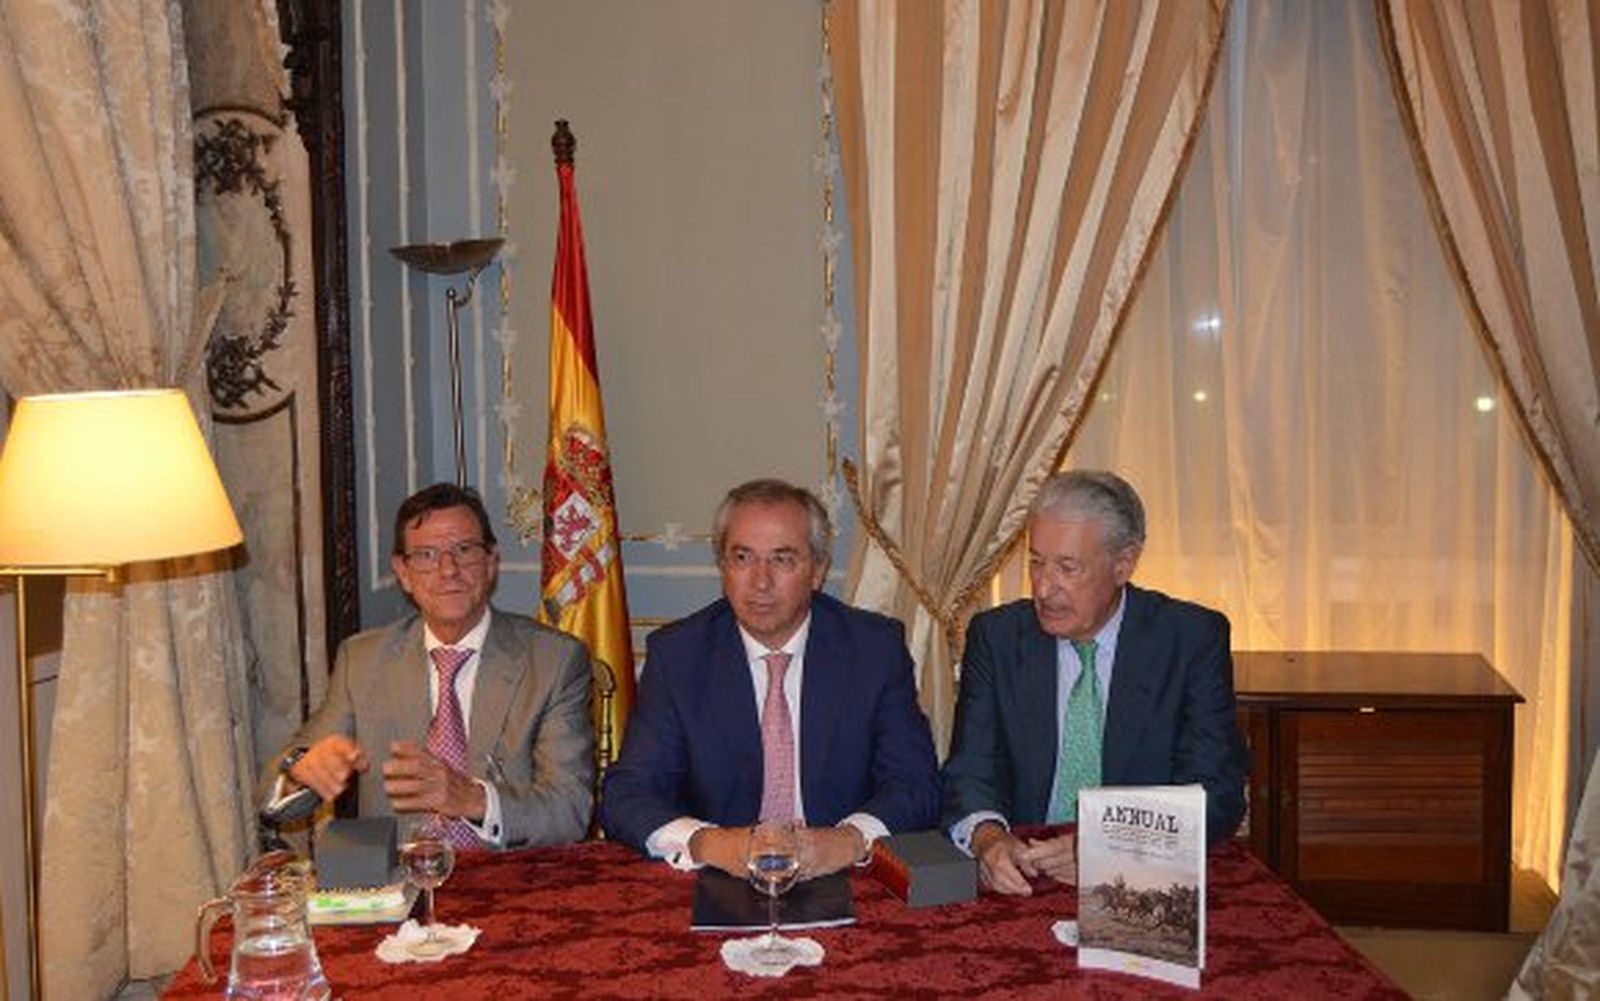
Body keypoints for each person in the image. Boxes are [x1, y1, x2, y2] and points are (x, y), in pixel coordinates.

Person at [600, 478, 940, 879]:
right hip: (718, 879)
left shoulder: (873, 650)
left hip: (844, 877)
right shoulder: (679, 655)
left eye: (782, 559)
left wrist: (849, 839)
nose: (760, 582)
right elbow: (628, 793)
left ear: (817, 571)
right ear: (722, 567)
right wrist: (707, 842)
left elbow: (917, 785)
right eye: (742, 558)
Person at [942, 470, 1249, 895]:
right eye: (1036, 562)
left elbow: (1216, 793)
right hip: (1023, 875)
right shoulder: (996, 636)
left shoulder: (1190, 640)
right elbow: (970, 770)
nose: (1044, 588)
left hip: (1142, 883)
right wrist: (988, 837)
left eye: (1067, 568)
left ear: (1124, 564)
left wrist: (1111, 845)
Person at [262, 483, 595, 848]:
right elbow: (273, 801)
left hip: (510, 883)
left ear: (491, 561)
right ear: (402, 572)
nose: (448, 569)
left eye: (464, 550)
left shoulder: (553, 661)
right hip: (399, 887)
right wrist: (301, 773)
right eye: (426, 555)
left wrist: (471, 799)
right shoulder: (362, 661)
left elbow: (570, 812)